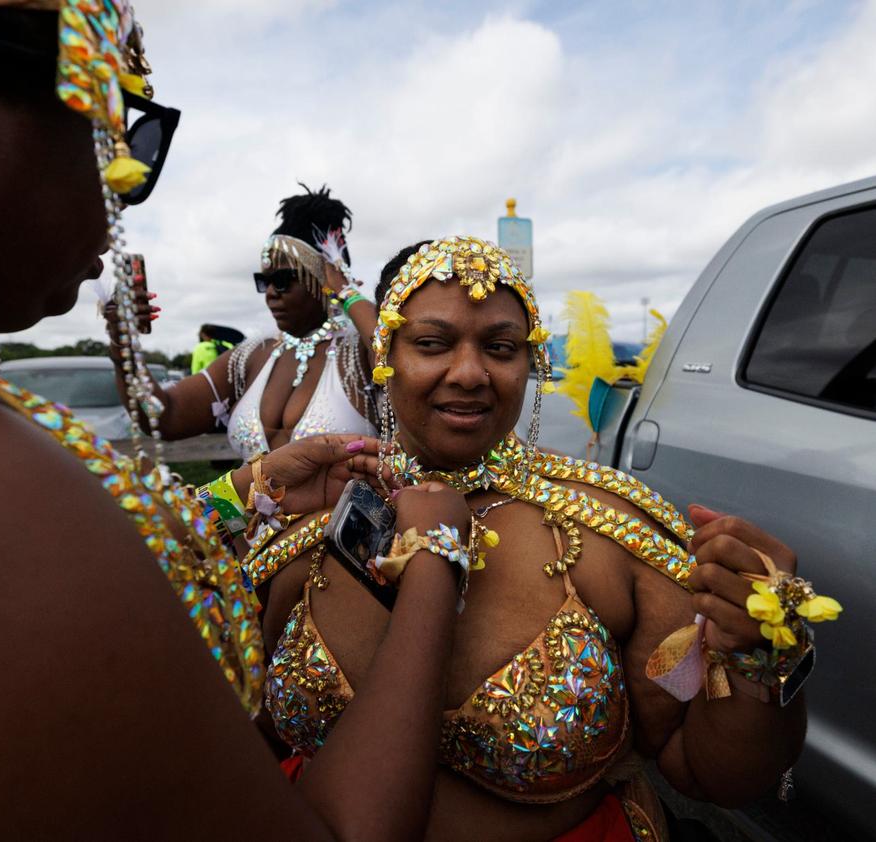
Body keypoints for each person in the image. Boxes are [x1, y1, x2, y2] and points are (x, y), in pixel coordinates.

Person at [0, 3, 479, 838]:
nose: (125, 171)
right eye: (115, 121)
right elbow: (151, 422)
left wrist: (248, 489)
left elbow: (402, 365)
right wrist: (436, 561)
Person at [246, 237, 828, 841]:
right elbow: (245, 736)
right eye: (432, 343)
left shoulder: (612, 529)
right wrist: (236, 499)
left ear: (530, 363)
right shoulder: (308, 517)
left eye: (500, 348)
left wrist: (761, 653)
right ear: (384, 355)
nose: (470, 373)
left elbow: (710, 776)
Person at [107, 185, 377, 462]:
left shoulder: (360, 354)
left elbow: (393, 353)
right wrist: (123, 342)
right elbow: (165, 416)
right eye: (264, 282)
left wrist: (347, 293)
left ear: (325, 280)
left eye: (283, 281)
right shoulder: (251, 357)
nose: (271, 292)